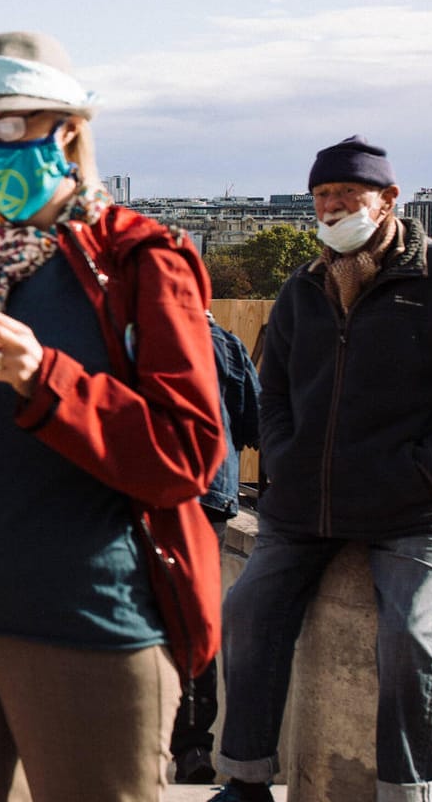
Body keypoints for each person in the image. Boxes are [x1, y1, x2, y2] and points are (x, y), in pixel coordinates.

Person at [0, 31, 225, 802]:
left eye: (8, 128)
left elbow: (188, 455)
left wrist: (45, 378)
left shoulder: (141, 260)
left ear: (69, 129)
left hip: (86, 624)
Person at [211, 137, 432, 802]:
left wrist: (428, 471)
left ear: (389, 200)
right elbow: (275, 391)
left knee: (408, 640)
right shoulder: (303, 288)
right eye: (322, 199)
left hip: (415, 509)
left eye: (347, 198)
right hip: (308, 504)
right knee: (247, 612)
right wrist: (285, 454)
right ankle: (244, 782)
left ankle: (408, 792)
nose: (332, 210)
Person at [172, 319, 261, 784]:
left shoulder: (112, 322)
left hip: (132, 490)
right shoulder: (222, 341)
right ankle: (191, 749)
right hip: (206, 495)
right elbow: (256, 423)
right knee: (194, 623)